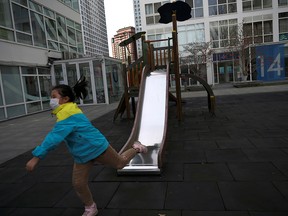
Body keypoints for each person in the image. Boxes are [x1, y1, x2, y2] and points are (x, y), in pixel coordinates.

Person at [26, 76, 148, 216]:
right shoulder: (65, 111)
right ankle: (90, 207)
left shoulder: (68, 113)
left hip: (97, 148)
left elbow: (54, 138)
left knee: (120, 163)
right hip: (82, 154)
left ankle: (137, 147)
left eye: (54, 97)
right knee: (78, 183)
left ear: (65, 99)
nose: (51, 100)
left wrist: (37, 157)